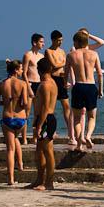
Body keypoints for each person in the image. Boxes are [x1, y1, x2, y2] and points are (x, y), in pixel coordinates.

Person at [67, 30, 104, 150]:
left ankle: (79, 139)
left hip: (78, 86)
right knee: (91, 117)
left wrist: (63, 84)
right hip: (91, 86)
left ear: (77, 42)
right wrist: (100, 90)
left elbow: (66, 72)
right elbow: (100, 74)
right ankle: (88, 136)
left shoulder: (71, 55)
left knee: (77, 118)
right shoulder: (94, 54)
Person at [0, 59, 30, 185]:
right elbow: (25, 103)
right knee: (16, 139)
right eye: (21, 69)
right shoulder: (22, 84)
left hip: (7, 118)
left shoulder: (1, 84)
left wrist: (6, 102)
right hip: (20, 118)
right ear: (16, 70)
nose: (22, 71)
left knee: (10, 149)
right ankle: (20, 164)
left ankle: (10, 179)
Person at [30, 57, 59, 191]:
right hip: (44, 119)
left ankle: (49, 182)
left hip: (46, 119)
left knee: (48, 151)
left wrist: (40, 125)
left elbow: (46, 108)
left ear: (39, 70)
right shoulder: (52, 82)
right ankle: (39, 180)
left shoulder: (46, 85)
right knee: (39, 151)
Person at [22, 33, 46, 144]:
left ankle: (35, 136)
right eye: (41, 42)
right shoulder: (28, 55)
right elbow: (24, 73)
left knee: (38, 113)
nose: (43, 44)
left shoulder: (42, 56)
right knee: (26, 113)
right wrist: (28, 87)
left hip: (39, 84)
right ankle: (24, 137)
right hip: (30, 84)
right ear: (34, 43)